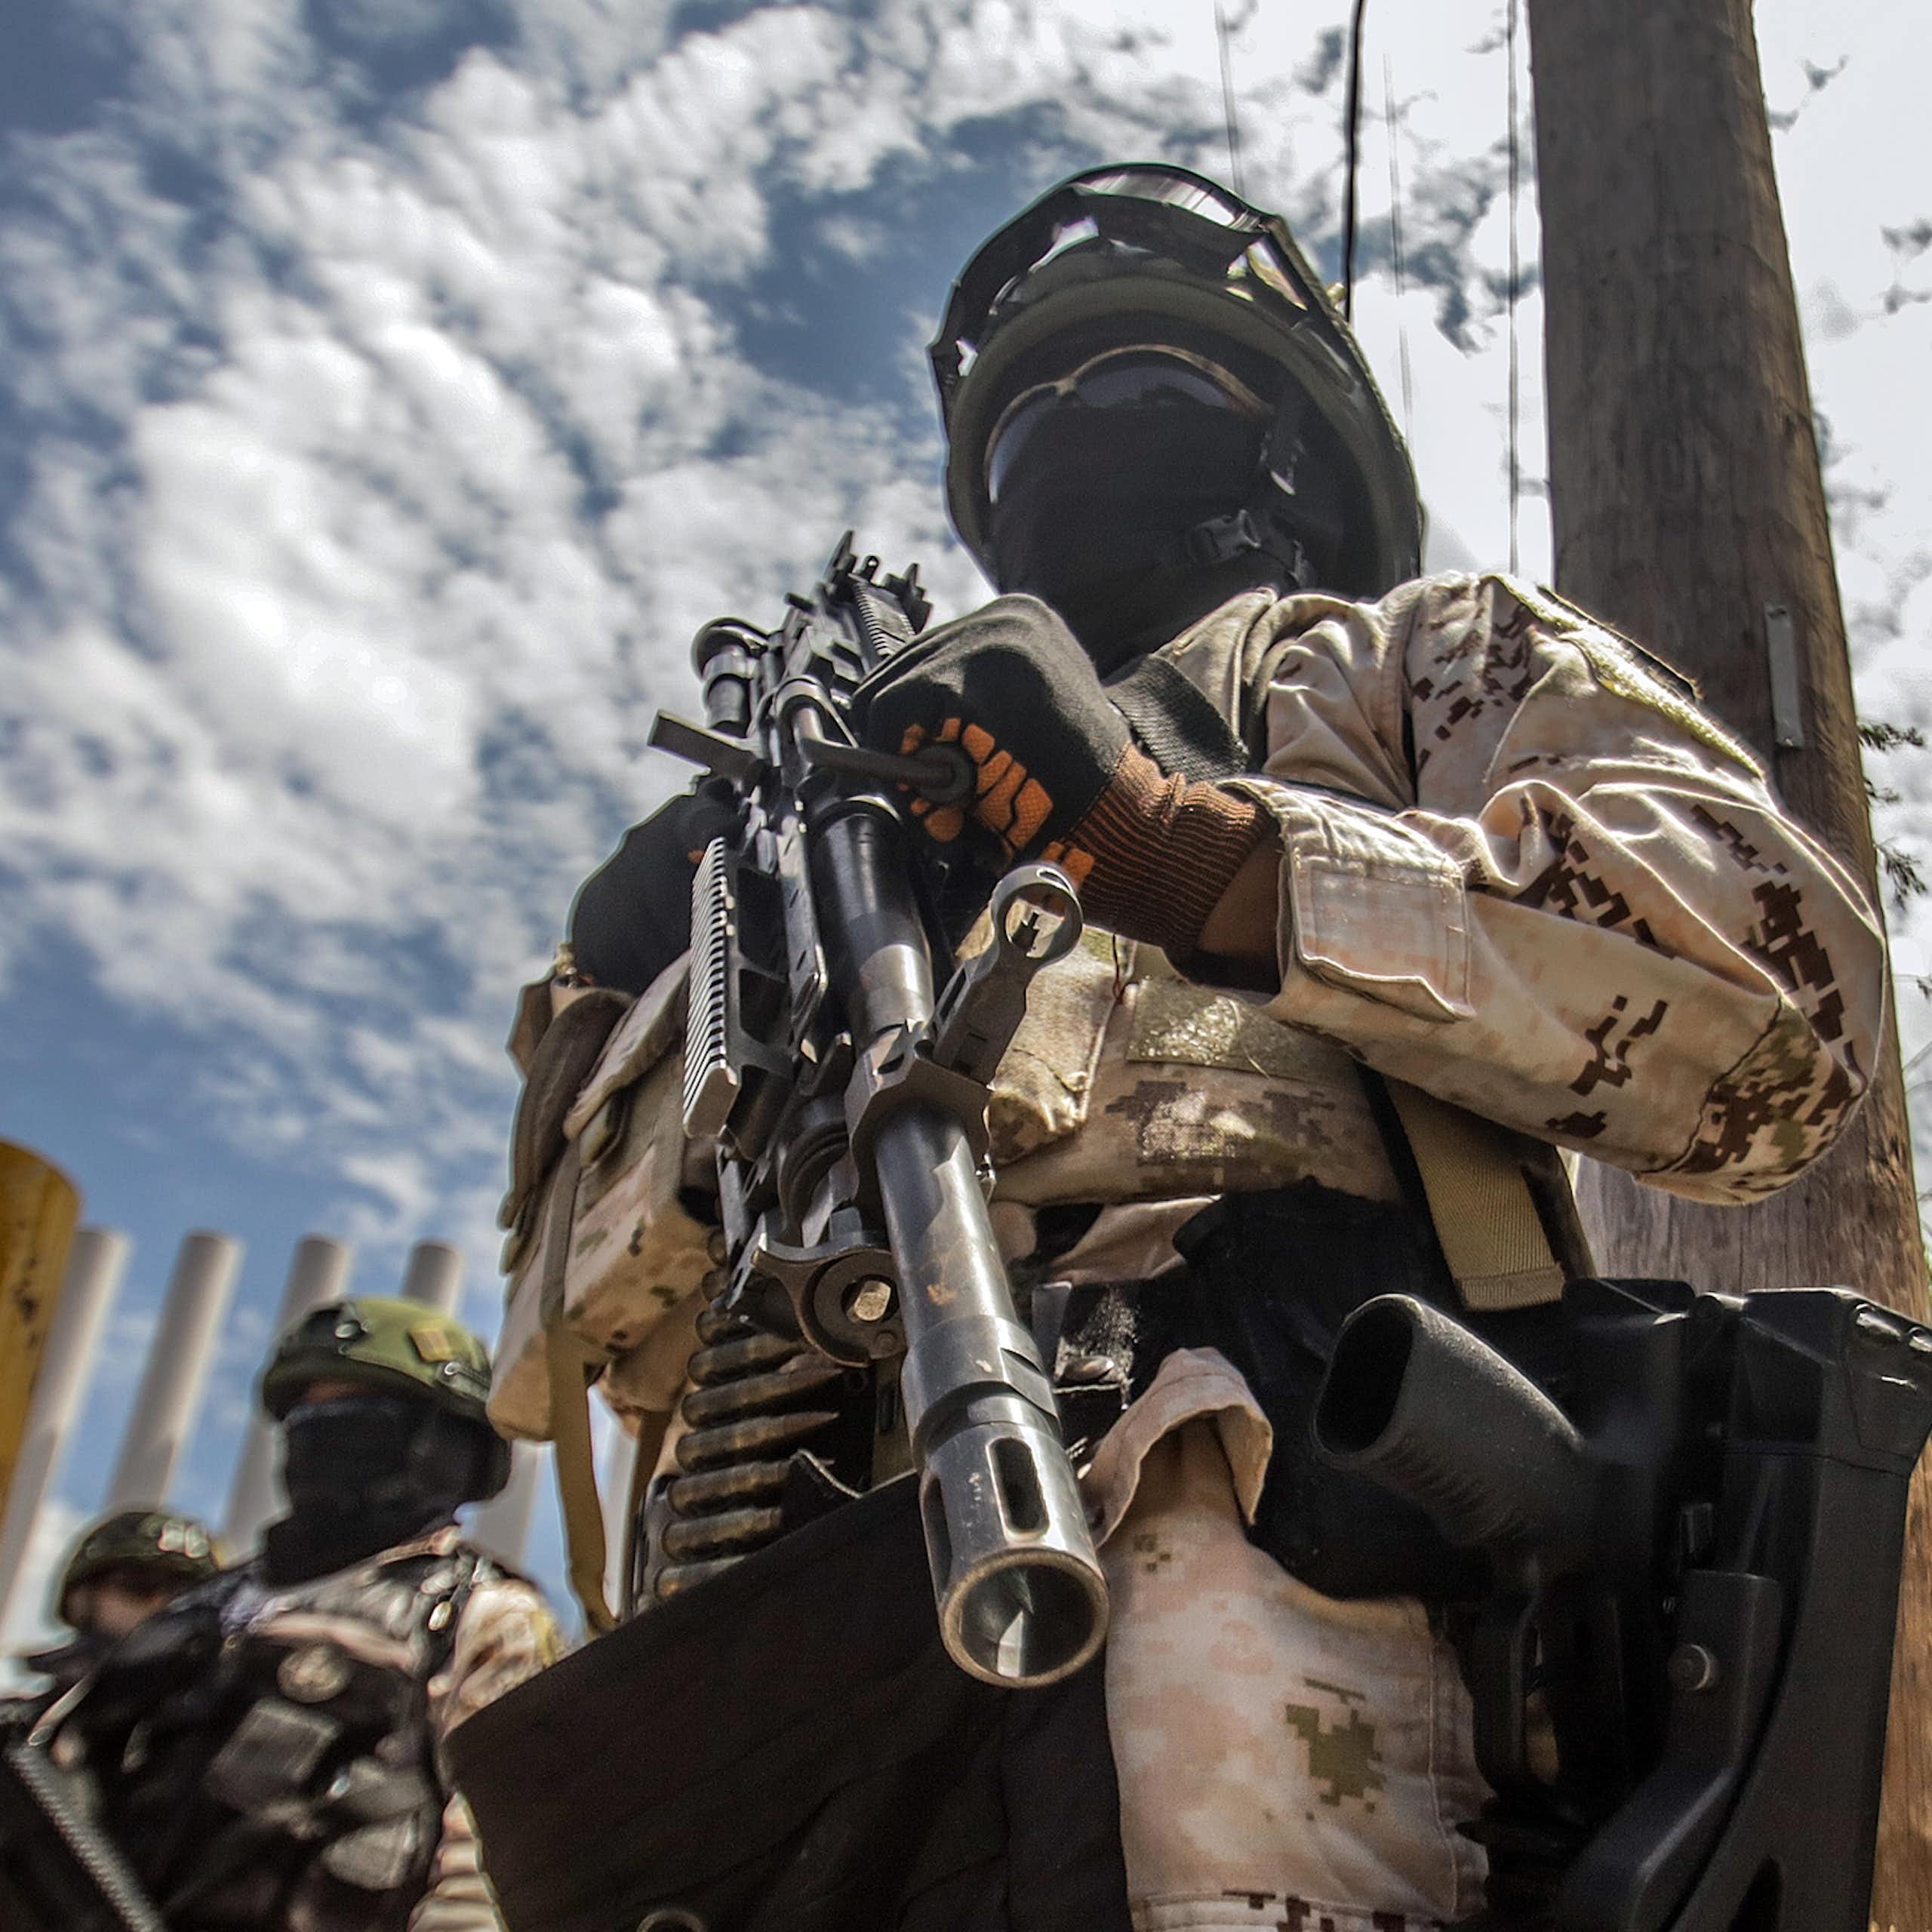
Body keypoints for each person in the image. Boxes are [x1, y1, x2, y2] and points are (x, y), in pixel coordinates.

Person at [463, 166, 1884, 1932]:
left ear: (1284, 454)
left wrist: (1170, 844)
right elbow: (575, 1348)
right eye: (1032, 415)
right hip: (768, 1649)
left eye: (1134, 390)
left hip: (1255, 1589)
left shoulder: (1380, 668)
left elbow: (1779, 1019)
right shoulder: (837, 839)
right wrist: (629, 993)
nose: (1073, 436)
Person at [46, 1297, 561, 1932]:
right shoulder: (203, 1606)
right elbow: (61, 1783)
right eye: (305, 1419)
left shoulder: (477, 1612)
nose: (320, 1440)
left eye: (354, 1416)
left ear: (446, 1444)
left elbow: (485, 1865)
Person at [0, 1509, 222, 1732]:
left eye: (189, 1596)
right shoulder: (17, 1733)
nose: (163, 1605)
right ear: (82, 1600)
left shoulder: (226, 1733)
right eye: (140, 1584)